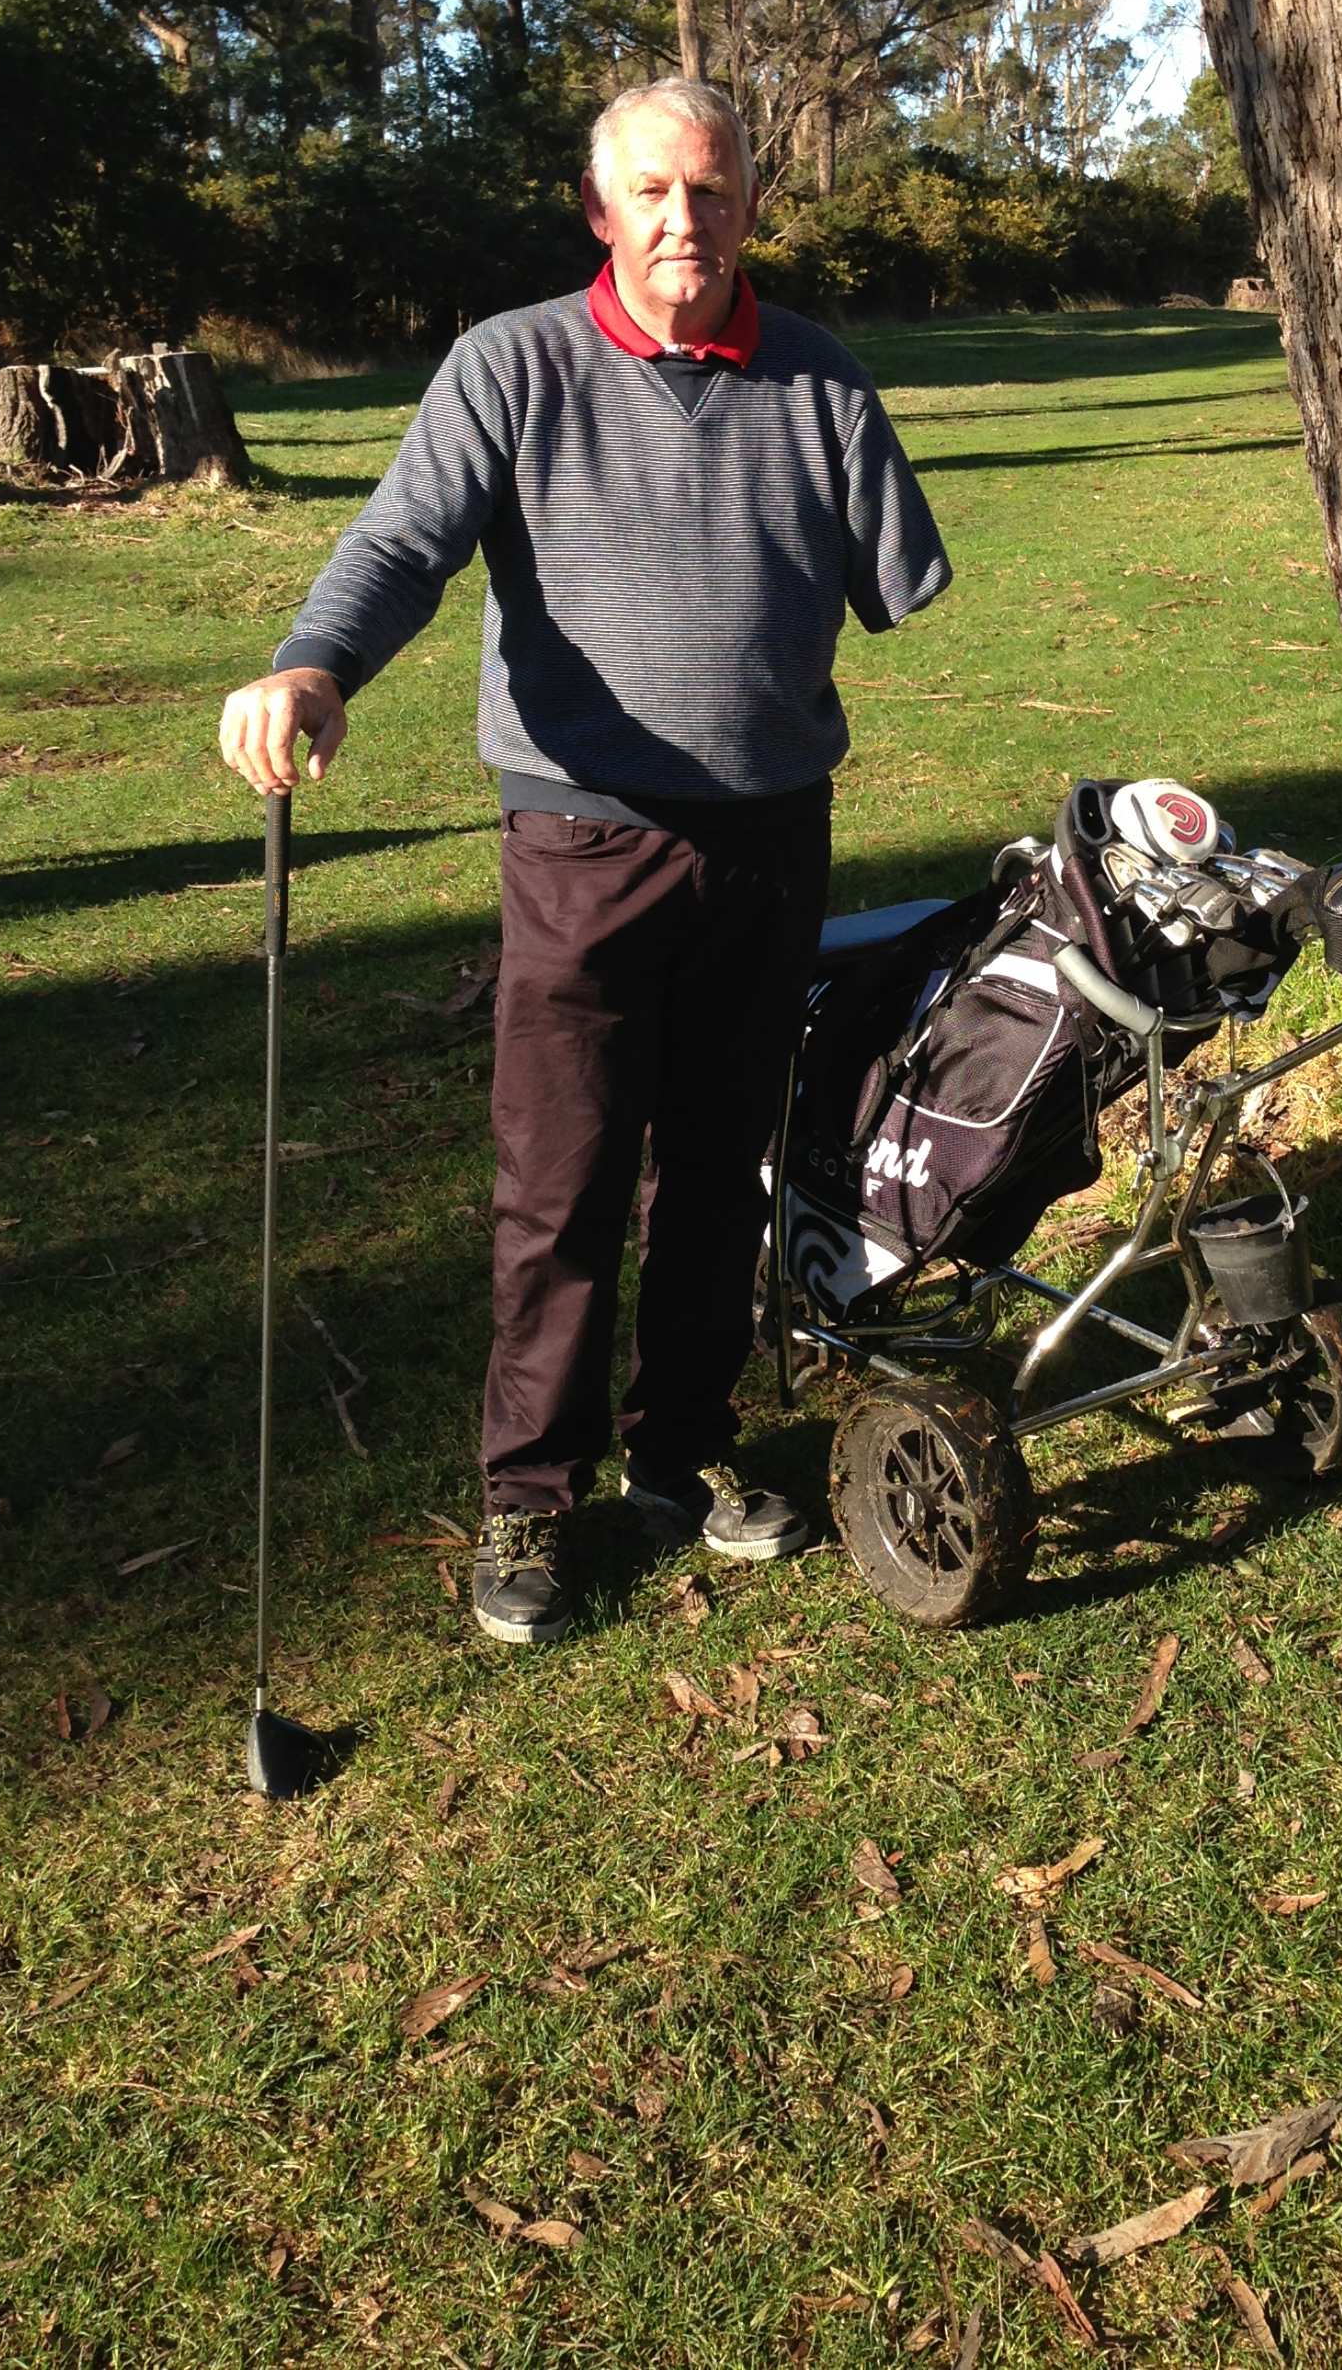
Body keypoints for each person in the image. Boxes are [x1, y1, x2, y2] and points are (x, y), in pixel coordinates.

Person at [217, 80, 950, 1647]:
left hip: (769, 836)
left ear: (751, 197)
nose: (687, 218)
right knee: (559, 1186)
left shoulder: (817, 375)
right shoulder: (513, 363)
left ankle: (682, 1461)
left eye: (715, 186)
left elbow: (895, 576)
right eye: (654, 191)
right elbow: (401, 544)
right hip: (580, 836)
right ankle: (528, 1502)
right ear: (599, 204)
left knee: (714, 1170)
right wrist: (315, 667)